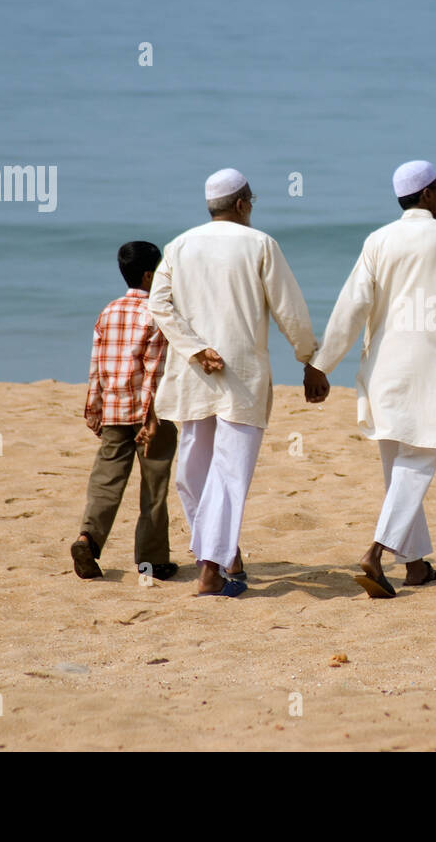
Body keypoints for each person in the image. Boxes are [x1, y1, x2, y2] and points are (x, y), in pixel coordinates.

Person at [149, 168, 329, 597]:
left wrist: (193, 348)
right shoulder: (260, 244)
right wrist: (310, 360)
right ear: (243, 204)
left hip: (195, 375)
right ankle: (213, 566)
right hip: (242, 379)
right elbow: (290, 311)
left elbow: (158, 305)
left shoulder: (179, 246)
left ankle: (221, 556)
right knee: (226, 474)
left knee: (192, 474)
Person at [309, 160, 436, 598]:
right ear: (426, 195)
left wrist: (321, 363)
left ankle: (417, 565)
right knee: (418, 463)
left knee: (398, 468)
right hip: (430, 367)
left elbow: (352, 305)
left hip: (383, 370)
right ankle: (375, 552)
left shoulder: (378, 240)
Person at [73, 241, 179, 581]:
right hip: (150, 416)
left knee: (105, 482)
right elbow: (153, 370)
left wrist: (94, 410)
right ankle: (152, 561)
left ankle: (87, 539)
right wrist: (150, 417)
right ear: (150, 275)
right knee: (154, 487)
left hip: (114, 411)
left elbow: (97, 366)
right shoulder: (156, 313)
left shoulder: (109, 311)